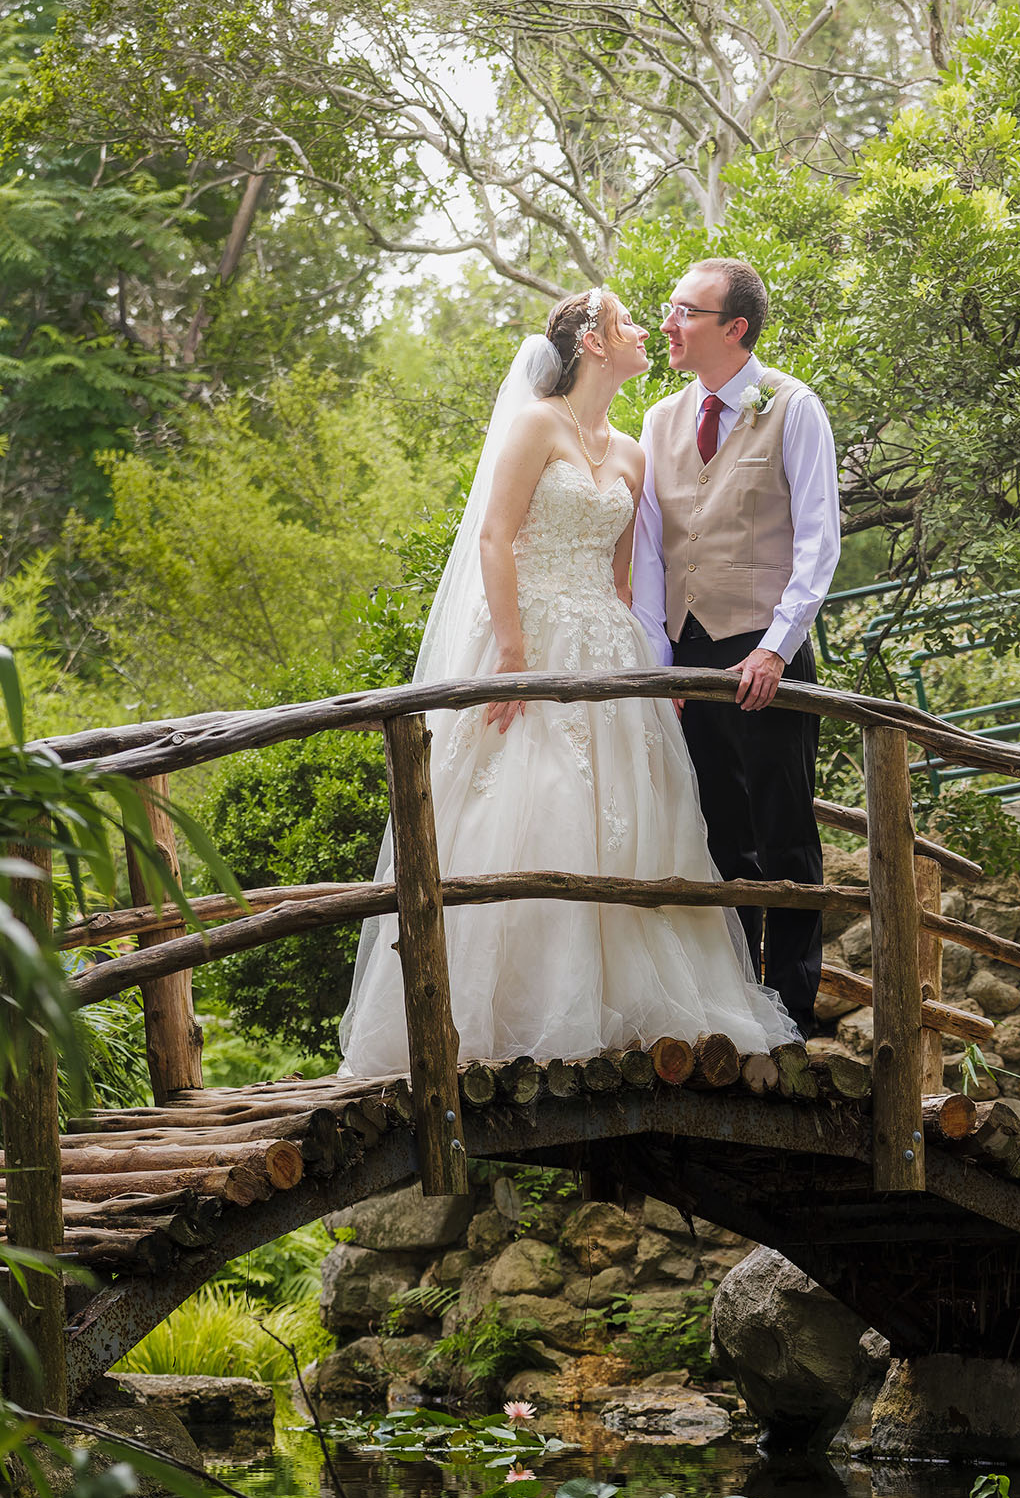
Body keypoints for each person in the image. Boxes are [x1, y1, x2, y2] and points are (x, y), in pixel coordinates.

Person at [338, 288, 799, 1075]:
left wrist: (641, 662)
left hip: (607, 650)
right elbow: (494, 535)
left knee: (634, 820)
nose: (646, 331)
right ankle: (507, 1018)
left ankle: (626, 1008)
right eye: (627, 323)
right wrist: (512, 655)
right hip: (531, 639)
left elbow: (625, 576)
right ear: (591, 342)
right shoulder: (533, 425)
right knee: (535, 802)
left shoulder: (631, 450)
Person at [630, 257, 841, 1031]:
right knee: (715, 834)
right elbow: (652, 553)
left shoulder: (793, 406)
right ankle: (733, 1003)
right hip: (690, 656)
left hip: (766, 652)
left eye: (685, 310)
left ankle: (794, 1009)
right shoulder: (658, 422)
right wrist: (664, 666)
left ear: (735, 328)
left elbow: (819, 543)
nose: (669, 323)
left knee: (785, 833)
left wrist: (776, 649)